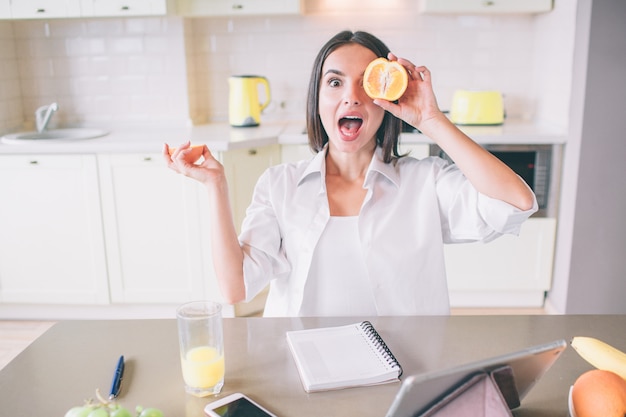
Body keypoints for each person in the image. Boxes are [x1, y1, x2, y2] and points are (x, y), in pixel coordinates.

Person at [163, 30, 537, 317]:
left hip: (402, 368)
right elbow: (236, 287)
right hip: (303, 368)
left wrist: (431, 120)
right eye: (335, 82)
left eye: (366, 83)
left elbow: (516, 203)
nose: (351, 96)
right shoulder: (279, 186)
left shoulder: (426, 183)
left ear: (386, 101)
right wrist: (216, 185)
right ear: (318, 98)